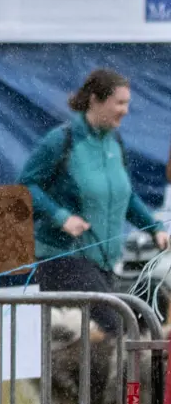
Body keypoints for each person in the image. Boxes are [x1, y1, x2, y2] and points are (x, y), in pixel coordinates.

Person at [21, 67, 167, 335]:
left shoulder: (115, 143)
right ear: (95, 101)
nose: (125, 110)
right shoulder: (61, 140)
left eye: (127, 103)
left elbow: (127, 196)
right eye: (120, 103)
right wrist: (60, 216)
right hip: (63, 259)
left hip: (104, 262)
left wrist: (154, 228)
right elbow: (25, 186)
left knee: (105, 345)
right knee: (118, 330)